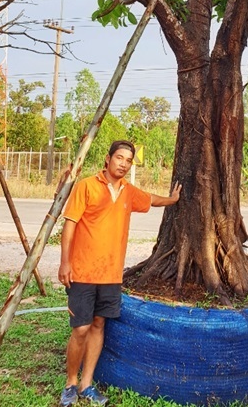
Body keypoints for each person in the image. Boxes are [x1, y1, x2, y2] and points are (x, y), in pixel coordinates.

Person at [58, 140, 181, 405]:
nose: (123, 164)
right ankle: (70, 383)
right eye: (119, 158)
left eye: (128, 160)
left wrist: (172, 199)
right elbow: (69, 227)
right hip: (82, 272)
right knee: (81, 329)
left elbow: (150, 199)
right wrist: (64, 263)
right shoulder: (87, 187)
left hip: (111, 275)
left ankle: (86, 384)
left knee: (99, 325)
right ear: (108, 158)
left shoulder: (128, 191)